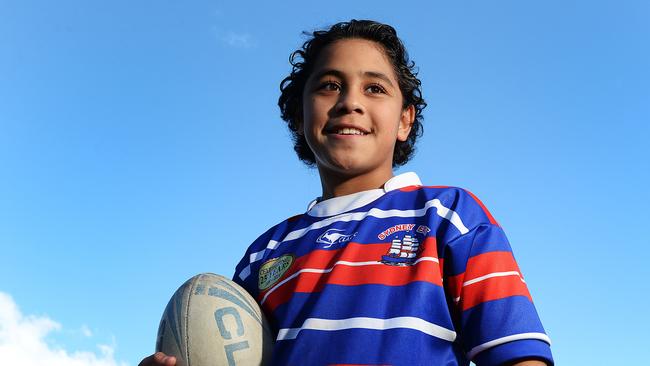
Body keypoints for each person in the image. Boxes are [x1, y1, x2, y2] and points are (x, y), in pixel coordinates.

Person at [141, 19, 553, 366]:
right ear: (300, 116)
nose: (349, 102)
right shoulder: (264, 253)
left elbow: (518, 355)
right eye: (329, 85)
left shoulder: (449, 215)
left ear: (404, 120)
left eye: (375, 88)